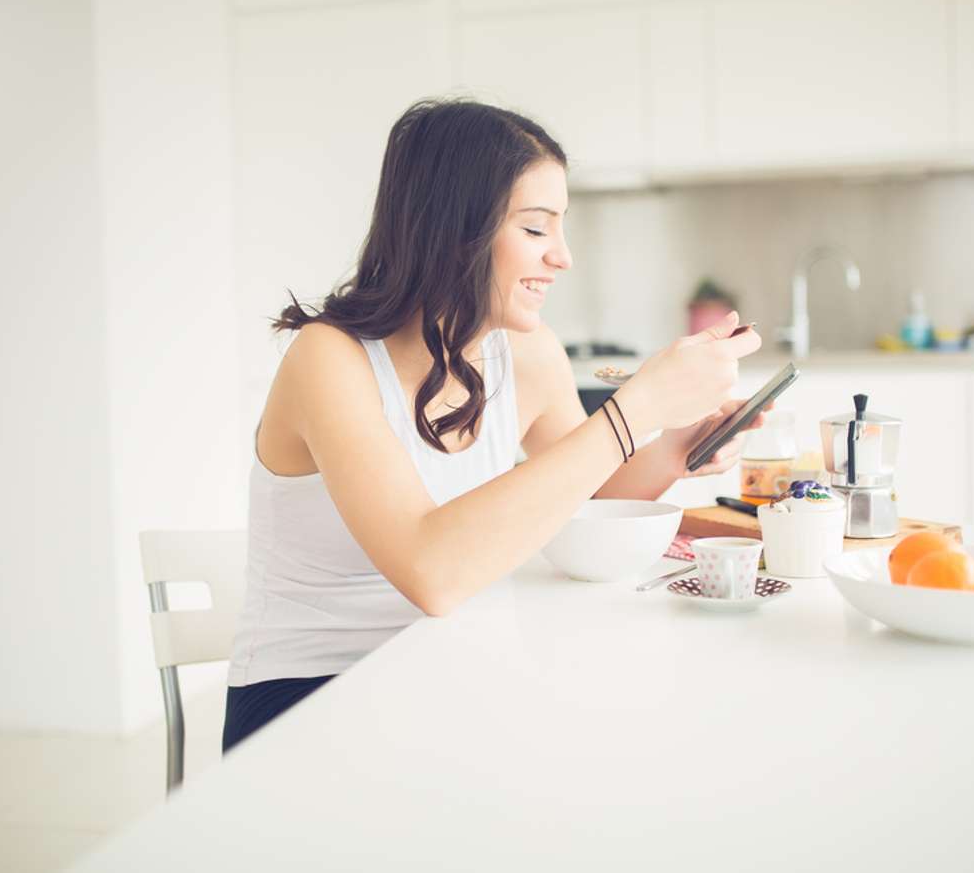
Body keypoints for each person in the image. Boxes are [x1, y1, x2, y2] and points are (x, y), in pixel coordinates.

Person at [222, 98, 763, 753]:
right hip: (310, 697)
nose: (562, 257)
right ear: (455, 231)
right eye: (537, 229)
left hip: (445, 666)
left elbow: (587, 496)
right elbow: (433, 572)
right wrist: (636, 407)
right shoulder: (328, 360)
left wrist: (677, 444)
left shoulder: (526, 354)